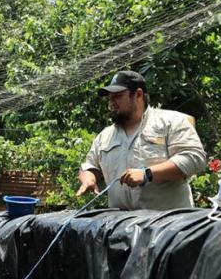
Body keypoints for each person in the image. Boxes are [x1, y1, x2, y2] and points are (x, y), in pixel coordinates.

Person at [76, 70, 206, 210]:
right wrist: (88, 177)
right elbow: (89, 165)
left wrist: (147, 174)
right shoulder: (104, 136)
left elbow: (194, 159)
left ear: (138, 94)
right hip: (123, 227)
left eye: (118, 96)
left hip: (168, 225)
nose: (111, 103)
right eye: (110, 98)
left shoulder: (171, 122)